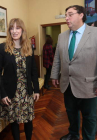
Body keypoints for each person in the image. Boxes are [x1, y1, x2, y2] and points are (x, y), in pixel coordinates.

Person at [51, 5, 97, 140]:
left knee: (90, 117)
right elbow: (57, 58)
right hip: (68, 84)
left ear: (81, 15)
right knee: (71, 113)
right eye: (66, 15)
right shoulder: (62, 36)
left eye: (70, 14)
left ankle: (88, 138)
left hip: (89, 85)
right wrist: (54, 74)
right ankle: (73, 135)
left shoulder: (94, 33)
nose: (66, 18)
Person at [0, 18, 39, 140]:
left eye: (17, 28)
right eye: (11, 28)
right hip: (11, 92)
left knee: (28, 120)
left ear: (22, 30)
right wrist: (2, 94)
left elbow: (33, 71)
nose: (14, 31)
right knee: (14, 121)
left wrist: (36, 90)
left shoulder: (29, 47)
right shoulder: (2, 47)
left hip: (26, 91)